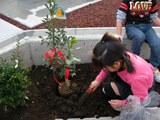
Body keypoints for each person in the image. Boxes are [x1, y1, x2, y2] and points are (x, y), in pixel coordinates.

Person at [90, 32, 155, 111]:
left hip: (143, 91)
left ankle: (128, 106)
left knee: (108, 89)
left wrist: (122, 103)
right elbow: (107, 67)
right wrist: (98, 80)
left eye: (105, 66)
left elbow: (141, 98)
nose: (104, 68)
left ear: (116, 63)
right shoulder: (121, 55)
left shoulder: (136, 78)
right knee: (108, 85)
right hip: (140, 82)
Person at [116, 0, 160, 82]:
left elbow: (154, 18)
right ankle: (133, 64)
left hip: (147, 27)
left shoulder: (152, 1)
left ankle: (153, 68)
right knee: (139, 36)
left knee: (157, 43)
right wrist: (119, 34)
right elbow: (120, 16)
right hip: (132, 26)